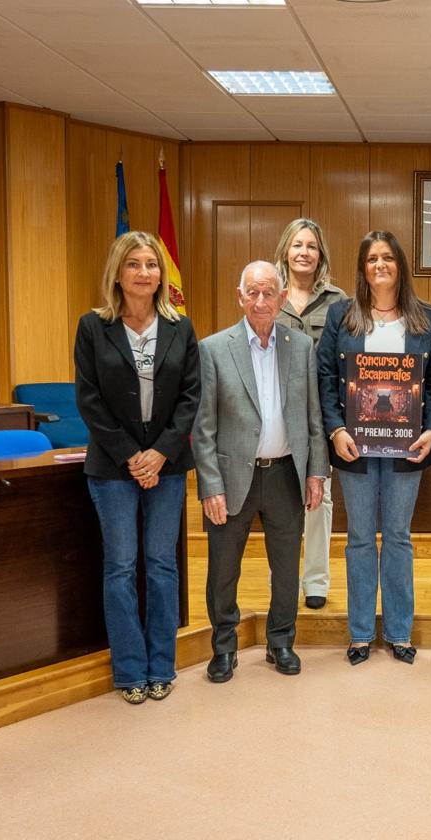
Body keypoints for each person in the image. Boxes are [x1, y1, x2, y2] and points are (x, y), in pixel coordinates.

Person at [74, 231, 201, 705]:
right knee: (121, 567)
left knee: (163, 566)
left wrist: (160, 453)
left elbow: (191, 398)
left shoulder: (180, 328)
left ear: (161, 274)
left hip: (166, 467)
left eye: (151, 264)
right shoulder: (93, 326)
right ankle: (129, 671)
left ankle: (160, 665)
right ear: (118, 272)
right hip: (112, 468)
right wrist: (131, 455)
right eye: (134, 264)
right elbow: (89, 400)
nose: (144, 272)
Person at [317, 231, 431, 666]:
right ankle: (358, 633)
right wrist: (336, 430)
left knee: (397, 536)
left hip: (407, 446)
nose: (380, 265)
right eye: (372, 258)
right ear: (362, 267)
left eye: (388, 258)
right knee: (358, 538)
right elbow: (324, 377)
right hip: (354, 446)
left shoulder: (426, 317)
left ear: (400, 265)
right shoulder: (342, 316)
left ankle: (397, 631)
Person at [192, 260, 327, 683]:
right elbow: (203, 428)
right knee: (223, 567)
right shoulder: (214, 349)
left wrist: (316, 473)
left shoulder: (301, 347)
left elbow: (314, 418)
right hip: (232, 478)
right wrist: (209, 486)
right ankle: (224, 647)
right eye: (253, 292)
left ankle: (281, 641)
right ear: (240, 296)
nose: (261, 301)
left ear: (283, 298)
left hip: (287, 473)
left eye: (270, 292)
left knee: (286, 566)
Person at [274, 218, 348, 611]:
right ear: (286, 249)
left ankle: (316, 580)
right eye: (297, 245)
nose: (304, 252)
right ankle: (282, 578)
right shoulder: (270, 294)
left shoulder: (339, 300)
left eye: (312, 246)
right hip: (276, 414)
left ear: (321, 255)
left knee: (320, 496)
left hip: (323, 413)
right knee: (280, 498)